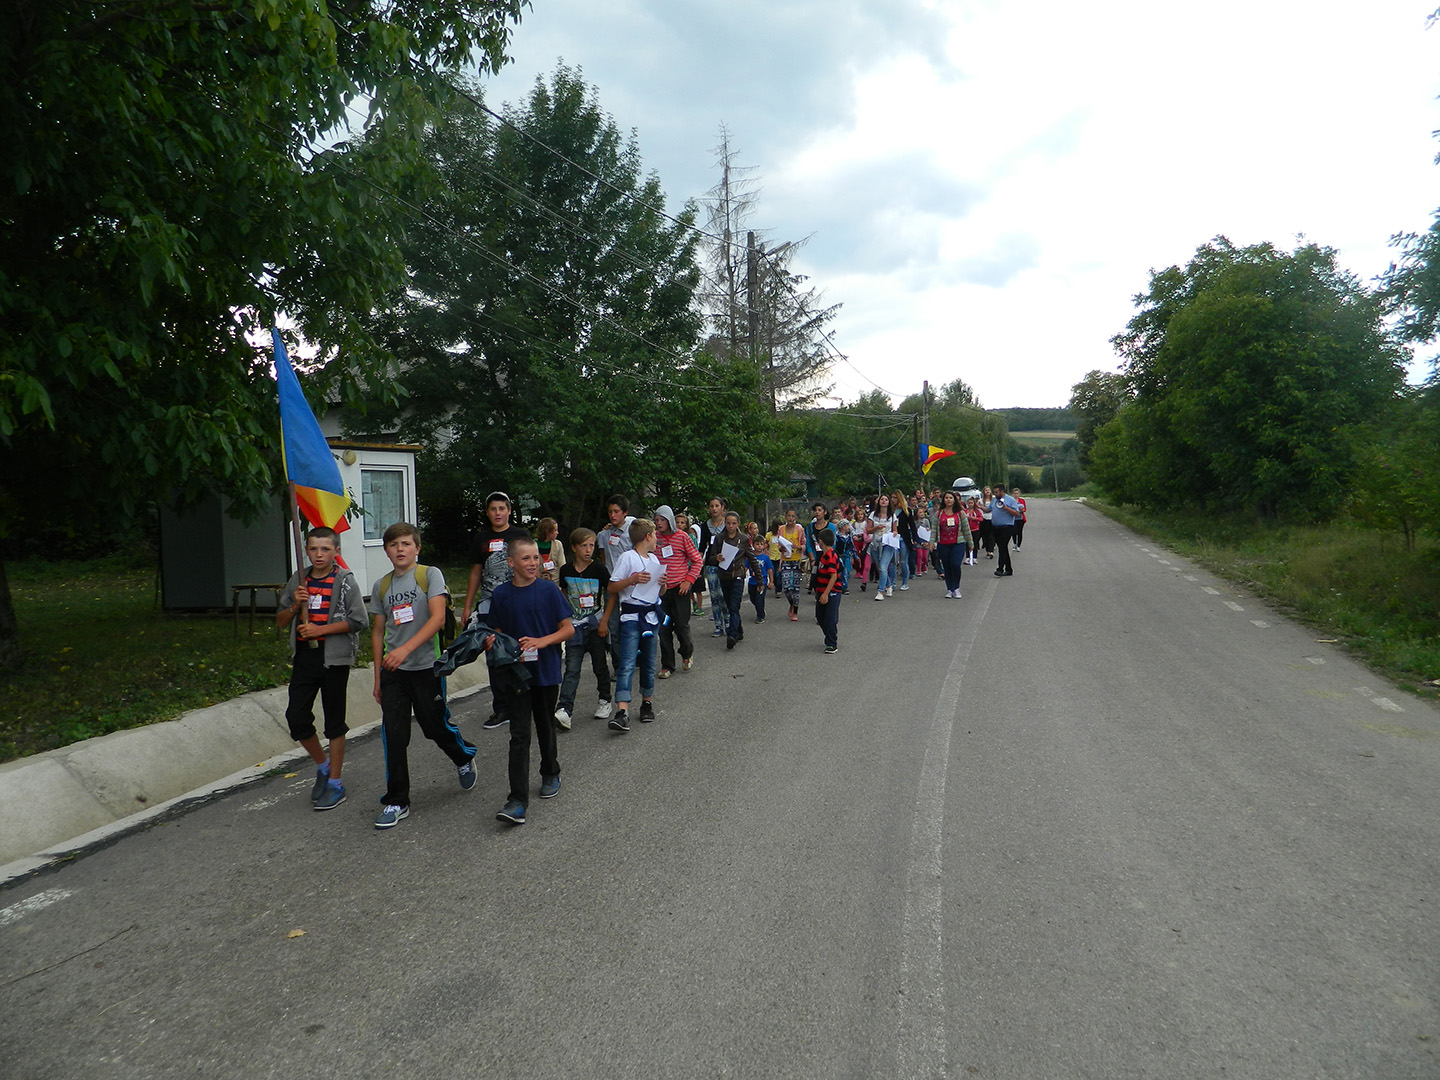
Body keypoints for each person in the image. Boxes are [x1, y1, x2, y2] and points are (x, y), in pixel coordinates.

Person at [369, 522, 477, 830]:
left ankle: (462, 756)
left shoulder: (429, 575)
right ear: (386, 550)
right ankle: (396, 800)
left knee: (434, 726)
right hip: (393, 673)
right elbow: (378, 633)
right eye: (393, 545)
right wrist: (378, 677)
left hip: (427, 667)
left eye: (406, 544)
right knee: (394, 734)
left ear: (417, 548)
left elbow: (438, 617)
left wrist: (405, 650)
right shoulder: (381, 586)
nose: (400, 549)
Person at [276, 526, 368, 812]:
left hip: (334, 657)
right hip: (305, 657)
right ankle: (323, 764)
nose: (319, 554)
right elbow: (279, 621)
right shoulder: (299, 580)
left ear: (336, 552)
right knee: (297, 717)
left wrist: (321, 629)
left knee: (334, 721)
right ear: (306, 549)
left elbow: (359, 620)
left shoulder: (345, 581)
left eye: (325, 549)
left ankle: (336, 784)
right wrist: (295, 605)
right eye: (313, 548)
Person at [483, 537, 574, 826]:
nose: (533, 563)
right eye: (526, 558)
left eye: (536, 558)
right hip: (516, 675)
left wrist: (541, 642)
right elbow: (496, 628)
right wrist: (492, 641)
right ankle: (517, 800)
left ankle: (550, 772)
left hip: (545, 672)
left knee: (545, 726)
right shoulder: (501, 595)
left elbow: (568, 629)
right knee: (519, 735)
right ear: (511, 563)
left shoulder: (548, 591)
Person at [460, 491, 532, 731]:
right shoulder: (482, 538)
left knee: (522, 648)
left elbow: (532, 565)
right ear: (488, 512)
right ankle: (501, 707)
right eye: (493, 509)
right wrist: (468, 606)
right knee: (494, 651)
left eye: (502, 508)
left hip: (519, 599)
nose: (498, 513)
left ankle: (526, 698)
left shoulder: (519, 535)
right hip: (490, 602)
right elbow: (475, 572)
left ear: (509, 510)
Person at [607, 517, 665, 731]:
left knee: (649, 661)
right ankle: (622, 709)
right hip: (631, 618)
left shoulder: (655, 560)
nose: (657, 538)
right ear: (648, 536)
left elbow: (660, 592)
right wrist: (632, 580)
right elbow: (612, 587)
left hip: (651, 618)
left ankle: (646, 702)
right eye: (655, 534)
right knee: (628, 663)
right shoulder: (627, 557)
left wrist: (663, 585)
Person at [555, 527, 615, 729]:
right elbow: (563, 594)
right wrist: (562, 620)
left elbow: (611, 594)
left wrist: (605, 621)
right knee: (572, 668)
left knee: (600, 665)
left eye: (591, 545)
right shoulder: (566, 571)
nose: (589, 549)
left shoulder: (598, 569)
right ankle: (564, 709)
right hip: (574, 626)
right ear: (574, 548)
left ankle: (605, 699)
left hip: (595, 623)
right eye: (584, 546)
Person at [653, 505, 702, 679]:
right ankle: (667, 665)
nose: (659, 524)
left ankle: (687, 652)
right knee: (663, 628)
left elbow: (697, 561)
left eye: (662, 520)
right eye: (657, 520)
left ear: (670, 520)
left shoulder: (682, 537)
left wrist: (688, 581)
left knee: (681, 625)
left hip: (680, 589)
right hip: (661, 591)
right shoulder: (654, 538)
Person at [705, 510, 763, 649]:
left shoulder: (742, 539)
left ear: (737, 524)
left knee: (733, 605)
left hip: (738, 576)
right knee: (731, 605)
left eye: (734, 523)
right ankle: (739, 630)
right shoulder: (719, 538)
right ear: (725, 523)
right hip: (724, 576)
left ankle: (732, 635)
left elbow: (752, 559)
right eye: (728, 523)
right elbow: (710, 558)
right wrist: (716, 558)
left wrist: (759, 579)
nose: (731, 526)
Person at [596, 494, 636, 666]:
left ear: (625, 513)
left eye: (616, 512)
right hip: (612, 583)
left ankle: (636, 655)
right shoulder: (604, 535)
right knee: (613, 624)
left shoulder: (632, 532)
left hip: (630, 584)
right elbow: (604, 557)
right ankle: (618, 663)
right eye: (610, 511)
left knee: (631, 622)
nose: (613, 515)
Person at [697, 497, 729, 638]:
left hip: (726, 564)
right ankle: (718, 625)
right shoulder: (705, 526)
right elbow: (702, 547)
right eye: (711, 506)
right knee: (714, 596)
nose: (714, 508)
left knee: (724, 595)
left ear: (722, 508)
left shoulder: (728, 524)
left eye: (717, 506)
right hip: (711, 564)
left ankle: (728, 622)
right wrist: (698, 565)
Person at [933, 490, 974, 598]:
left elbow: (966, 529)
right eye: (946, 498)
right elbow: (934, 530)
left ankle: (956, 588)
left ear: (954, 500)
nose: (948, 500)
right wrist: (932, 542)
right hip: (943, 543)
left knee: (955, 565)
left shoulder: (960, 513)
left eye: (950, 498)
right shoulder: (939, 513)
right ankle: (949, 589)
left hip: (958, 543)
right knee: (947, 566)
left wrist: (970, 543)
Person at [813, 527, 842, 654]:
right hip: (821, 590)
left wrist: (826, 594)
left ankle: (831, 643)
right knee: (820, 616)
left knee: (830, 618)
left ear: (820, 542)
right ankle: (829, 636)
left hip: (832, 591)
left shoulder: (830, 556)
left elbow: (833, 575)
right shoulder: (823, 556)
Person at [776, 508, 807, 620]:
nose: (790, 518)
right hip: (785, 560)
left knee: (796, 587)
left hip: (797, 560)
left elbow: (804, 544)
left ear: (796, 518)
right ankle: (792, 603)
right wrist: (782, 548)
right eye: (788, 516)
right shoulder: (781, 529)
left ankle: (795, 611)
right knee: (786, 586)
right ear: (785, 516)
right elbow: (778, 545)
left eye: (793, 516)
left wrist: (798, 547)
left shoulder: (799, 529)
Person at [867, 493, 899, 599]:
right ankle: (888, 585)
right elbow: (868, 530)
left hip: (888, 544)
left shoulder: (892, 516)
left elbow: (895, 530)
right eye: (882, 499)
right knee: (880, 567)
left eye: (886, 499)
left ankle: (880, 591)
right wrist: (876, 528)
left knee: (883, 566)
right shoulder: (873, 515)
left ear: (889, 502)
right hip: (876, 543)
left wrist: (894, 533)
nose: (884, 501)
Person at [989, 487, 1022, 577]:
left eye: (996, 492)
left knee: (1002, 547)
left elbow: (1016, 513)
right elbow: (988, 509)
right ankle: (1008, 569)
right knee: (1002, 547)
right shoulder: (994, 500)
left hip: (1007, 527)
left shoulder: (1010, 500)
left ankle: (1000, 569)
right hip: (996, 527)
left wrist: (1006, 508)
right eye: (994, 492)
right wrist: (979, 507)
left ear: (1002, 491)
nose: (995, 494)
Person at [743, 520, 771, 622]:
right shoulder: (750, 557)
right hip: (752, 581)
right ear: (753, 545)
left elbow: (770, 569)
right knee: (752, 598)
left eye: (761, 544)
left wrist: (770, 581)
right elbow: (745, 567)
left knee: (760, 599)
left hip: (762, 581)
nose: (759, 546)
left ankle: (760, 616)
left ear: (764, 546)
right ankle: (760, 610)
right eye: (757, 544)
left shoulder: (766, 558)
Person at [534, 517, 565, 584]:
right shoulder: (533, 545)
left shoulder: (557, 544)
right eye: (555, 530)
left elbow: (562, 564)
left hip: (555, 582)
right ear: (547, 531)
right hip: (539, 581)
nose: (557, 533)